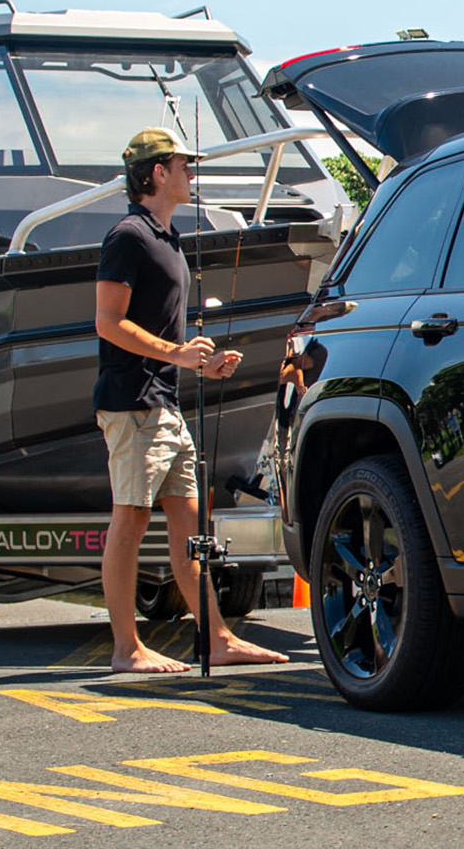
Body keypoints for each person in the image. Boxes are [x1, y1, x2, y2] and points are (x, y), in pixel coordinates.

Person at [91, 127, 291, 673]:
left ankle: (218, 638)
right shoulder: (128, 236)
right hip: (132, 404)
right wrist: (179, 354)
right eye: (183, 164)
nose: (191, 172)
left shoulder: (168, 238)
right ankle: (125, 649)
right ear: (157, 172)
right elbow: (108, 323)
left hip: (164, 403)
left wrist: (202, 360)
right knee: (129, 521)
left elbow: (160, 334)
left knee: (189, 525)